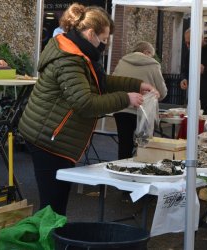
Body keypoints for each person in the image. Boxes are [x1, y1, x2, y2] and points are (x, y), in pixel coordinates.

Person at [18, 3, 158, 216]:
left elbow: (100, 82)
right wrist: (125, 99)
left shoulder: (81, 54)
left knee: (55, 205)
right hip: (48, 138)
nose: (104, 45)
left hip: (56, 137)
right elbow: (85, 103)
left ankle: (52, 241)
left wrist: (136, 85)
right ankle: (46, 243)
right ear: (91, 33)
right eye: (103, 40)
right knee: (52, 208)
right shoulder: (69, 58)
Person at [112, 41, 167, 159]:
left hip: (123, 109)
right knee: (144, 147)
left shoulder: (122, 62)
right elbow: (162, 92)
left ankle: (122, 171)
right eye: (151, 54)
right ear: (146, 52)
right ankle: (141, 171)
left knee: (124, 146)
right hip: (145, 112)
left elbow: (113, 84)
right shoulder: (153, 64)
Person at [180, 28, 207, 114]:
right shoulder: (190, 53)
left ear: (200, 39)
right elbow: (185, 70)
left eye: (190, 42)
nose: (187, 46)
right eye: (186, 43)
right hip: (194, 98)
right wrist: (184, 79)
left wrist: (205, 70)